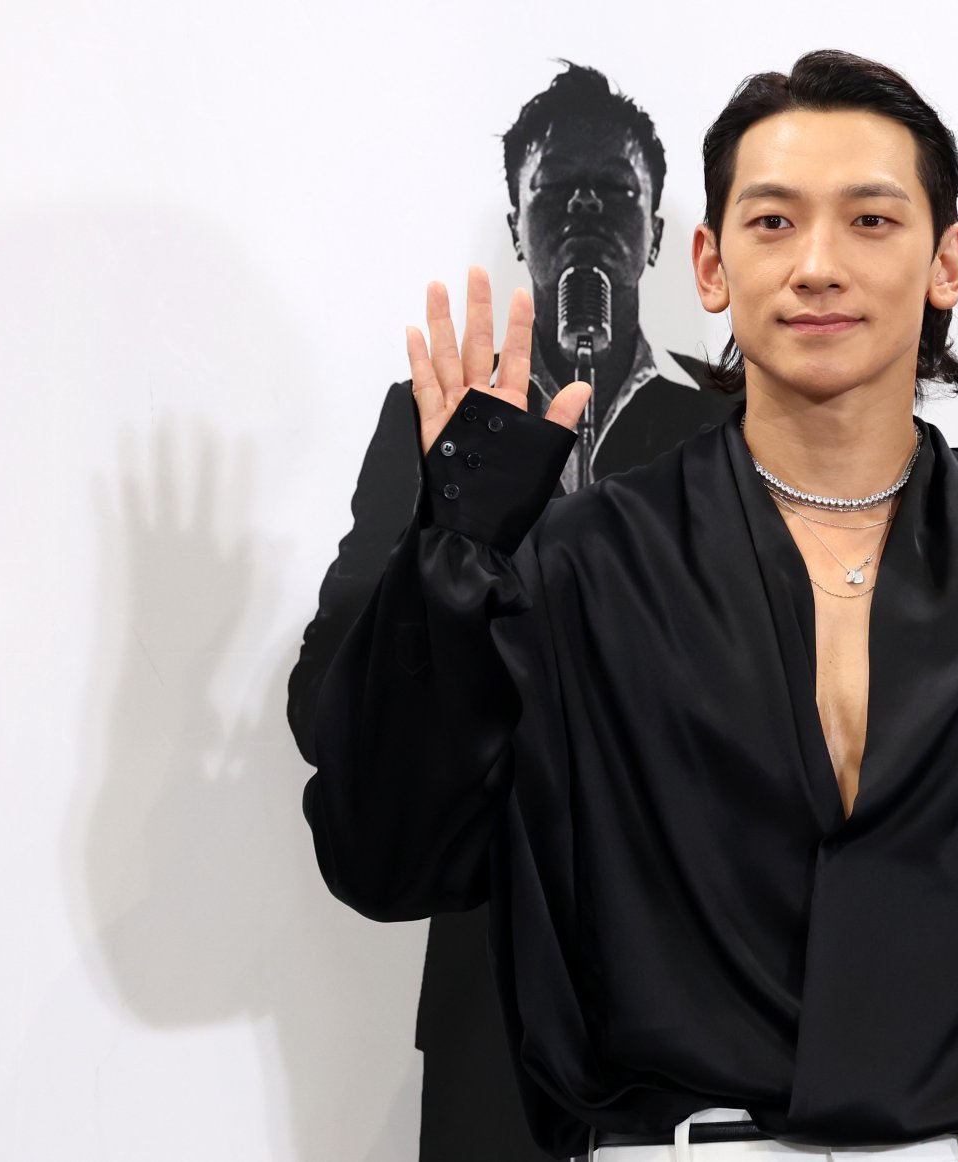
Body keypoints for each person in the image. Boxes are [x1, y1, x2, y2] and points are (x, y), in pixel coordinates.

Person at [304, 48, 958, 1162]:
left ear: (946, 261)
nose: (818, 267)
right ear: (709, 263)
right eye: (774, 222)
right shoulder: (578, 570)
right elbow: (386, 860)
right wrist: (452, 557)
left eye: (871, 222)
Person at [286, 62, 738, 1161]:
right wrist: (453, 536)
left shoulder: (730, 426)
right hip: (493, 991)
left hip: (696, 995)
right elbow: (326, 695)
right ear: (515, 224)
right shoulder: (437, 421)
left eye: (614, 193)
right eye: (554, 192)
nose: (584, 213)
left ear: (657, 232)